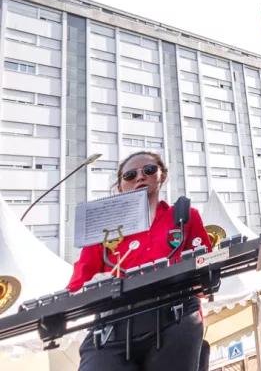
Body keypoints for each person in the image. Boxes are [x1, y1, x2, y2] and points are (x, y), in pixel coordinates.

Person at [67, 152, 212, 371]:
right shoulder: (104, 229)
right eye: (130, 174)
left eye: (149, 170)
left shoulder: (185, 217)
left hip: (175, 317)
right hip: (112, 327)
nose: (140, 177)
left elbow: (205, 280)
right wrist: (94, 284)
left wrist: (199, 281)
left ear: (162, 176)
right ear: (120, 187)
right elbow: (78, 285)